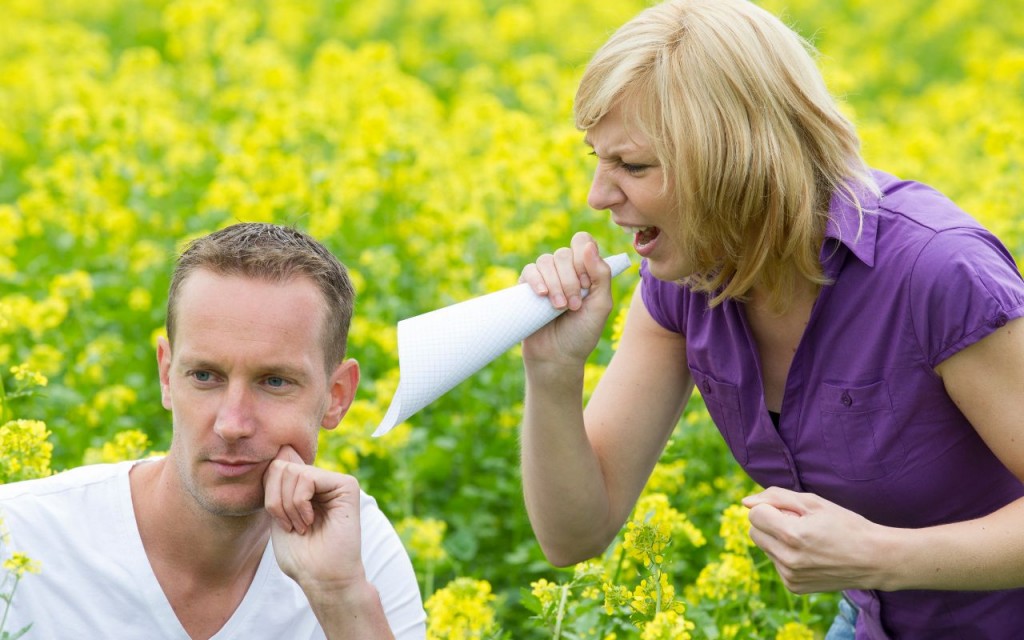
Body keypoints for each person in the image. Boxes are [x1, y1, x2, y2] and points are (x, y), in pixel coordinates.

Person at [517, 0, 1024, 638]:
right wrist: (553, 370)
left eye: (633, 165)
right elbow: (576, 534)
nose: (597, 195)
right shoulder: (688, 280)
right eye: (596, 157)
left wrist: (882, 557)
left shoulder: (937, 273)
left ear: (734, 158)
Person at [0, 223, 426, 638]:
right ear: (166, 376)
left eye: (274, 381)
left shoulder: (358, 553)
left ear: (337, 396)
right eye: (205, 376)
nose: (232, 424)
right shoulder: (16, 538)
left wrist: (338, 597)